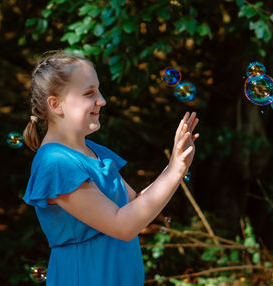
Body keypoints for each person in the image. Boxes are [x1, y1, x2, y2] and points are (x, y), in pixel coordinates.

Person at [22, 50, 199, 286]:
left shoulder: (94, 151)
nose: (102, 100)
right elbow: (123, 225)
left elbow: (136, 205)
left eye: (98, 90)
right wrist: (174, 170)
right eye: (89, 93)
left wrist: (176, 166)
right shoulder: (55, 163)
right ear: (56, 104)